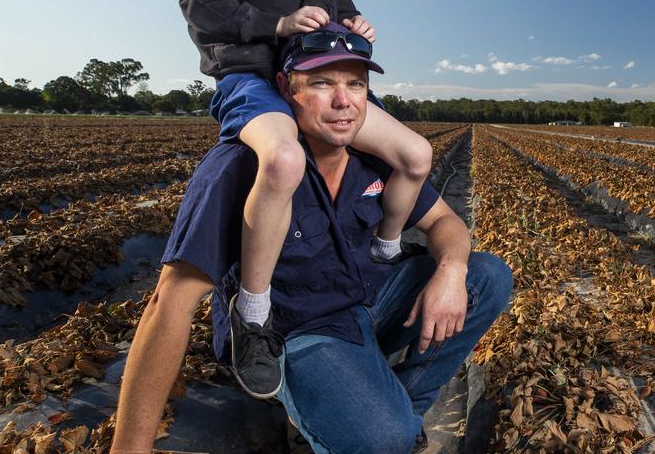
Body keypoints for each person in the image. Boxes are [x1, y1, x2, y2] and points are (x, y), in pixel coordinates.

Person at [111, 25, 513, 454]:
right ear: (286, 89)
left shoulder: (375, 158)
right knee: (383, 440)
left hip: (367, 301)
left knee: (486, 276)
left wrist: (451, 270)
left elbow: (445, 222)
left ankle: (399, 410)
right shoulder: (245, 167)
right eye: (322, 83)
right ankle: (379, 425)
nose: (344, 102)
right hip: (299, 329)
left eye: (355, 84)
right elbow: (168, 302)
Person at [179, 0, 433, 399]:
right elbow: (200, 4)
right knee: (286, 163)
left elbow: (340, 15)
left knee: (416, 155)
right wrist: (276, 22)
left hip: (311, 84)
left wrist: (357, 26)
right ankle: (254, 313)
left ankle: (384, 253)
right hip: (254, 81)